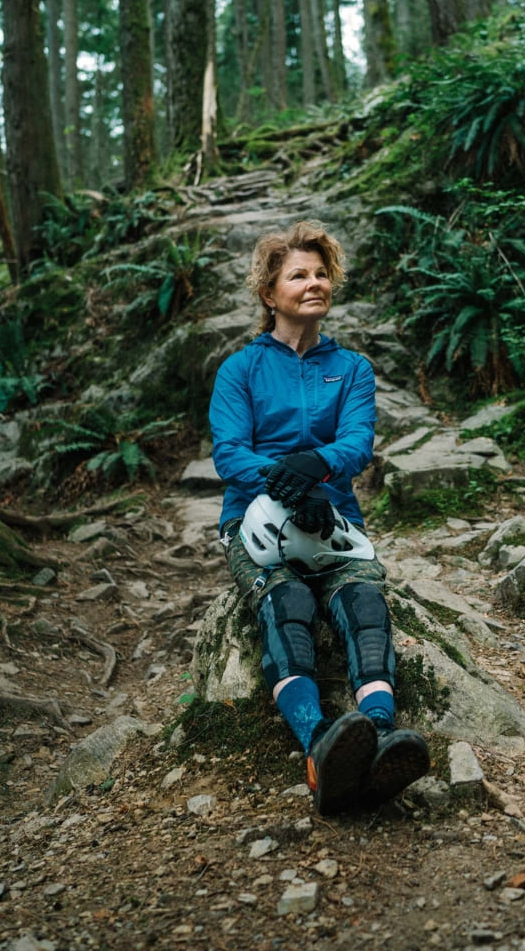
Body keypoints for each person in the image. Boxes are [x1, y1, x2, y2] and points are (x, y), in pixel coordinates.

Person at [208, 219, 430, 816]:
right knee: (288, 605)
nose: (314, 283)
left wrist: (316, 471)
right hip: (252, 520)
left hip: (334, 516)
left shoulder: (353, 368)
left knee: (362, 602)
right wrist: (288, 482)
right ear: (268, 292)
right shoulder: (240, 370)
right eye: (298, 275)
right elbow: (229, 453)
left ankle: (377, 733)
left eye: (321, 273)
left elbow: (357, 443)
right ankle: (320, 749)